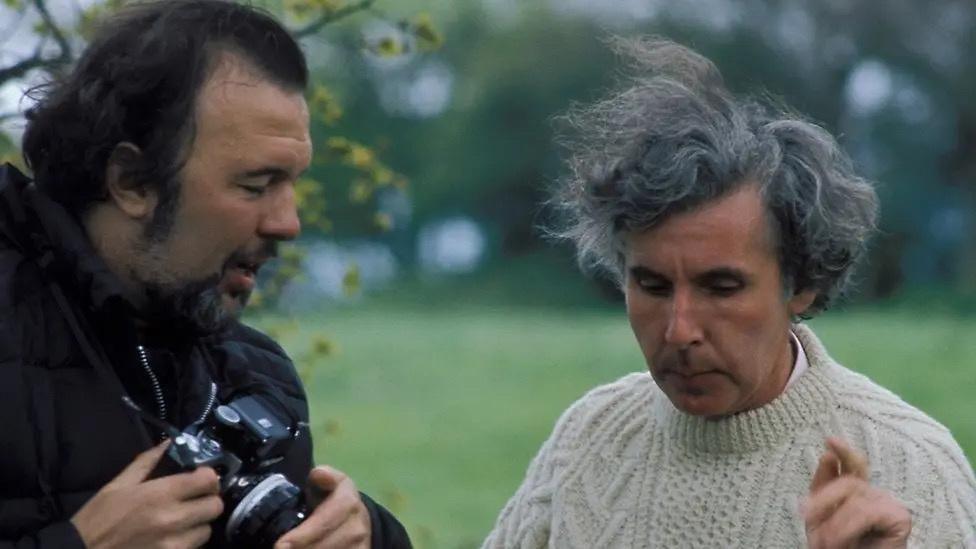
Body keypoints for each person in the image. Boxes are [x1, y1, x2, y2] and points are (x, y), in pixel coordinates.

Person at [483, 37, 976, 548]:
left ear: (802, 284)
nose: (680, 330)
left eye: (721, 287)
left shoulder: (912, 467)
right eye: (651, 285)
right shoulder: (589, 439)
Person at [0, 1, 410, 547]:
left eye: (293, 183)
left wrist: (366, 534)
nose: (289, 223)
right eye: (255, 185)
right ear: (133, 181)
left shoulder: (258, 376)